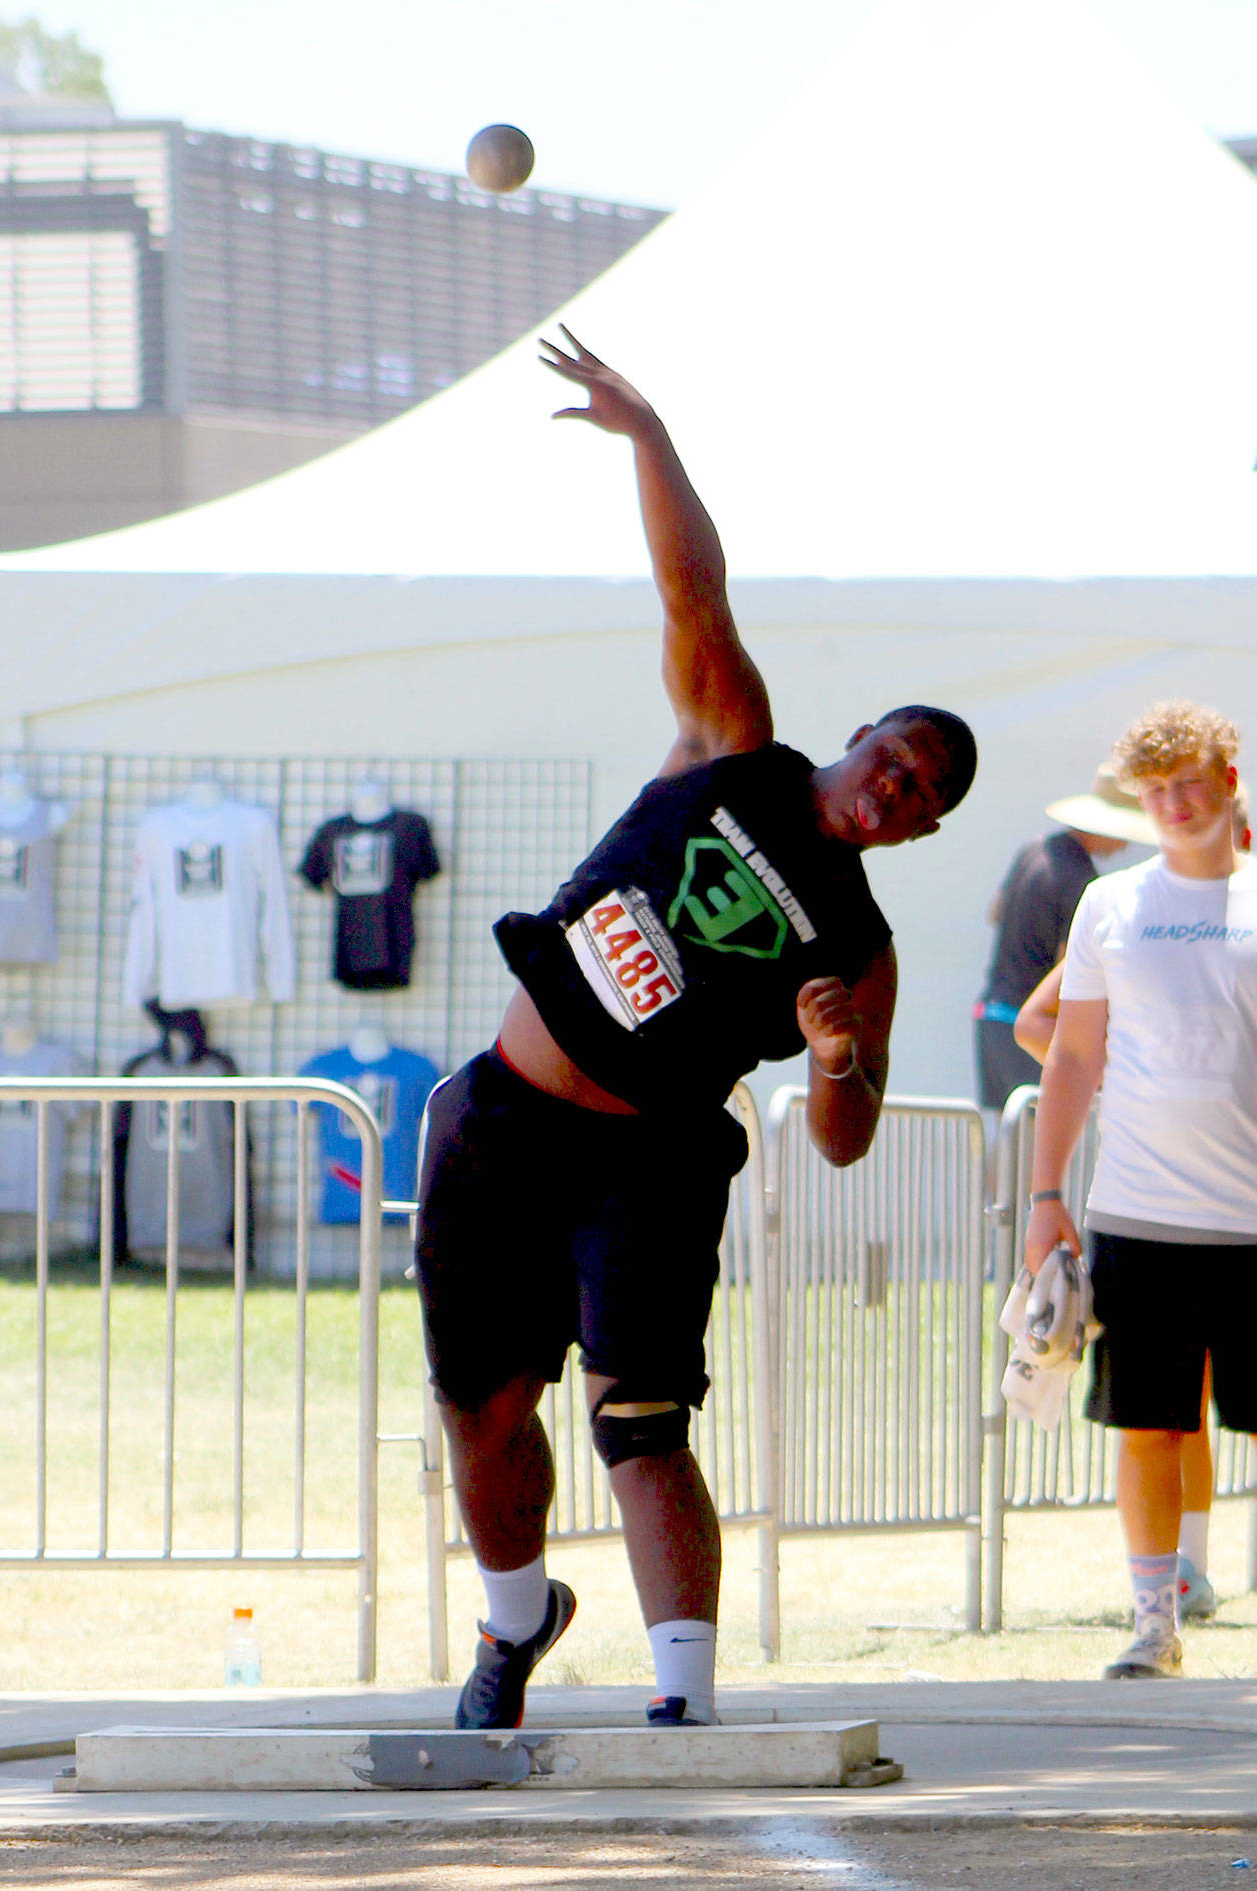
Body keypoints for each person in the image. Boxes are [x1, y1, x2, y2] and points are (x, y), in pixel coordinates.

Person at [415, 328, 978, 1731]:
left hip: (648, 1162)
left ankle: (686, 1697)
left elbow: (845, 1141)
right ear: (856, 741)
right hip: (501, 1115)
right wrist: (649, 431)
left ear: (918, 830)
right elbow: (693, 583)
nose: (891, 790)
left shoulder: (860, 946)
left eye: (916, 799)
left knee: (639, 1423)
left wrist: (841, 1053)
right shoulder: (733, 742)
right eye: (891, 759)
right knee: (484, 1409)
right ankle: (514, 1620)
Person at [1024, 703, 1257, 1680]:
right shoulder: (1107, 907)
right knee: (1146, 1425)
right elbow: (1070, 1054)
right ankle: (1150, 1623)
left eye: (1189, 780)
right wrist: (1044, 1197)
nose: (1172, 802)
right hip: (1135, 1213)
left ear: (1228, 781)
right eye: (1153, 788)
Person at [974, 767, 1152, 1127]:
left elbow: (995, 911)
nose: (1126, 844)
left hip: (991, 1016)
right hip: (1027, 1030)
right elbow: (1071, 971)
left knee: (1000, 1140)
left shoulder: (1034, 850)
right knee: (1036, 1140)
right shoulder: (1082, 882)